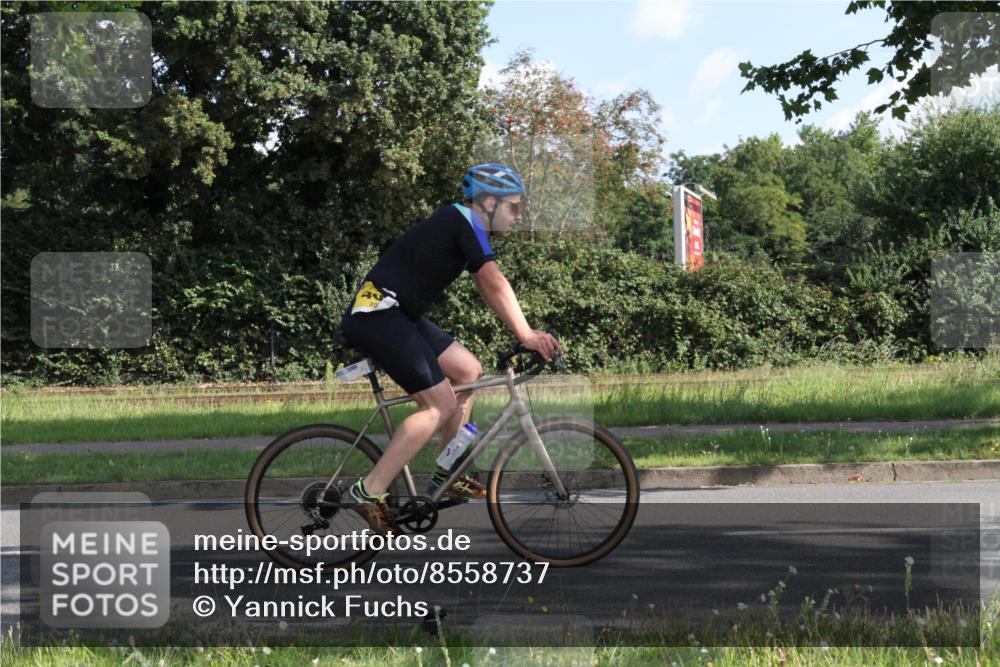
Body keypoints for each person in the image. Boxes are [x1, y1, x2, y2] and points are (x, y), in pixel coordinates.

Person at [339, 163, 562, 532]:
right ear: (489, 202)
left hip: (398, 314)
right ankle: (368, 490)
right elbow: (493, 282)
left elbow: (488, 282)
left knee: (468, 371)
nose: (519, 215)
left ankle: (450, 470)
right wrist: (526, 335)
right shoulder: (464, 219)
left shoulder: (466, 226)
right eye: (514, 206)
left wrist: (524, 331)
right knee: (438, 404)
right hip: (378, 315)